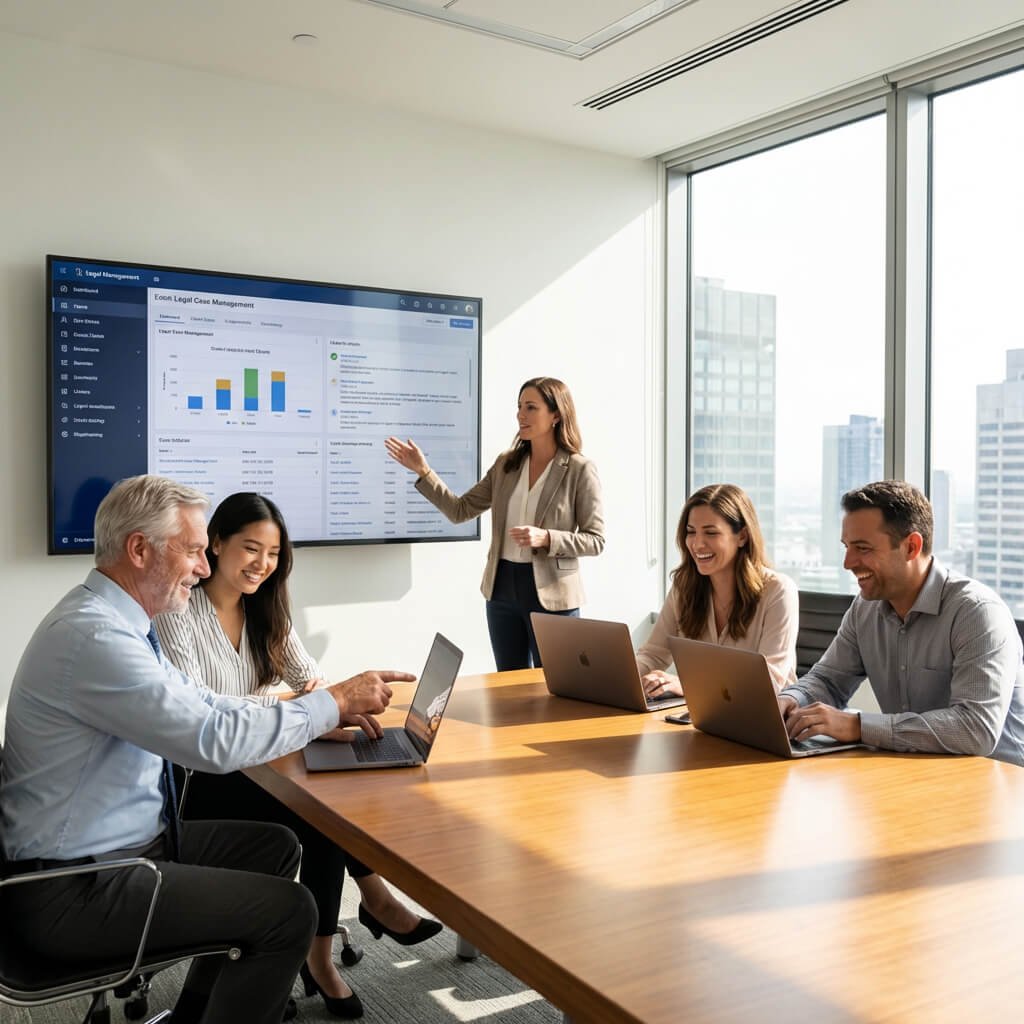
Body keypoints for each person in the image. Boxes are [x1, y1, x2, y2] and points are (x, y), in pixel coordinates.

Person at [0, 476, 414, 1024]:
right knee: (290, 911)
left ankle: (198, 1012)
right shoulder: (97, 639)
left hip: (119, 852)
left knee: (273, 847)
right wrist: (329, 703)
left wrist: (322, 711)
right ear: (139, 549)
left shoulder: (116, 623)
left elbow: (207, 705)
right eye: (193, 550)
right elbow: (212, 740)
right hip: (73, 890)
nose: (202, 567)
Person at [154, 492, 442, 1017]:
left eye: (272, 553)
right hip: (201, 778)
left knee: (330, 787)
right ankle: (357, 917)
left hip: (258, 763)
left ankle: (330, 944)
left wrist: (331, 705)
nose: (261, 564)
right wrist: (310, 708)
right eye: (250, 548)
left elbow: (310, 678)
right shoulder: (181, 609)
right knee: (319, 813)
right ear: (215, 543)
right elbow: (201, 708)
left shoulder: (265, 608)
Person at [779, 480, 1024, 765]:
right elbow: (828, 681)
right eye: (847, 547)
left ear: (911, 547)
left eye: (862, 548)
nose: (848, 562)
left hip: (998, 779)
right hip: (917, 772)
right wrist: (789, 700)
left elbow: (976, 729)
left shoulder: (977, 612)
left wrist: (857, 726)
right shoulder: (865, 609)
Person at [385, 376, 605, 670]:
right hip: (502, 589)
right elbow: (460, 510)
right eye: (519, 407)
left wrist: (547, 538)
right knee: (509, 683)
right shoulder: (506, 465)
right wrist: (424, 471)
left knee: (556, 682)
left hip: (552, 593)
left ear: (556, 415)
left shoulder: (579, 468)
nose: (521, 415)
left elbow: (595, 540)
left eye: (531, 407)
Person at [636, 483, 798, 700]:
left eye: (711, 533)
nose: (697, 544)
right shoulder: (684, 587)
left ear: (742, 536)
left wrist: (688, 685)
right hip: (703, 711)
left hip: (765, 713)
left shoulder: (778, 591)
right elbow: (653, 655)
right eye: (691, 532)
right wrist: (618, 676)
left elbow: (769, 680)